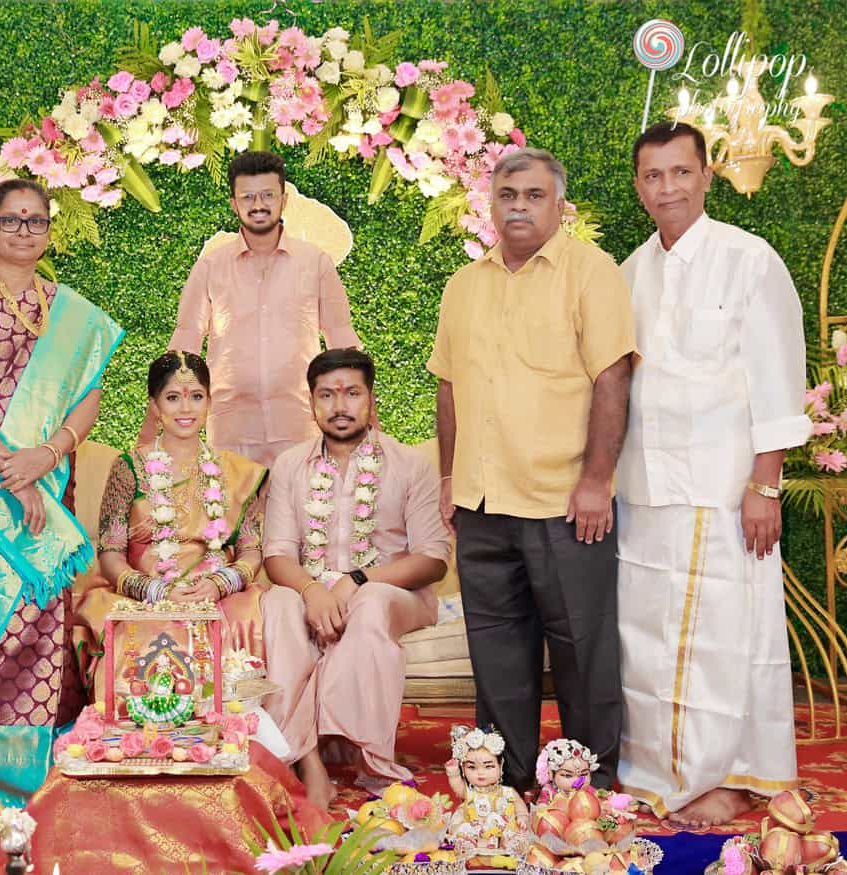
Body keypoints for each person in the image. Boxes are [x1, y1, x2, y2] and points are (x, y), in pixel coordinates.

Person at [617, 121, 811, 828]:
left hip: (724, 490)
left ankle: (719, 776)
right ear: (637, 186)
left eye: (679, 172)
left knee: (723, 639)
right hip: (642, 491)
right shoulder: (627, 273)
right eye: (652, 175)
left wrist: (763, 483)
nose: (666, 187)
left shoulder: (748, 259)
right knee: (646, 638)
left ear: (705, 175)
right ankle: (655, 770)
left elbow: (775, 377)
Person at [428, 147, 638, 793]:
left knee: (582, 652)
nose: (518, 206)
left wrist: (596, 479)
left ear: (557, 204)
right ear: (490, 204)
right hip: (482, 503)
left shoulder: (589, 271)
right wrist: (445, 479)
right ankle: (505, 780)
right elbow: (447, 387)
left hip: (563, 503)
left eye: (533, 195)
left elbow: (612, 375)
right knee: (495, 656)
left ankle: (588, 787)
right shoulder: (465, 284)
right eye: (507, 195)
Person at [0, 178, 123, 805]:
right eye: (10, 221)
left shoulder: (70, 310)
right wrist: (9, 465)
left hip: (45, 474)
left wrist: (49, 453)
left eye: (35, 221)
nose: (23, 232)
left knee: (39, 614)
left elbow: (87, 391)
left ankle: (36, 758)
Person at [261, 348, 450, 809]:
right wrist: (310, 591)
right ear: (311, 403)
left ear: (371, 400)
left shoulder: (409, 464)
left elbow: (434, 558)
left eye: (351, 393)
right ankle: (307, 762)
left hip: (392, 596)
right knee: (277, 605)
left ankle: (372, 759)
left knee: (369, 604)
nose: (339, 405)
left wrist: (358, 580)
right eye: (326, 395)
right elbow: (276, 554)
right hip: (314, 593)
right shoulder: (289, 465)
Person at [75, 351, 268, 698]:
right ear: (154, 405)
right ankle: (146, 740)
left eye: (196, 397)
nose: (186, 409)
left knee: (248, 619)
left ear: (209, 401)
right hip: (147, 594)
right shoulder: (129, 467)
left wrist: (221, 583)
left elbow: (252, 549)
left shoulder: (236, 471)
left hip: (216, 592)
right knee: (138, 632)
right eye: (173, 397)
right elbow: (109, 553)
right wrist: (155, 590)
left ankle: (231, 736)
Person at [163, 150, 361, 467]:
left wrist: (367, 426)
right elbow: (185, 342)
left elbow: (343, 344)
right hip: (230, 428)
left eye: (268, 195)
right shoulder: (210, 267)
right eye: (248, 197)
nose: (258, 205)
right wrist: (162, 424)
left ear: (283, 200)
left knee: (306, 515)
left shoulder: (315, 263)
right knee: (233, 517)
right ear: (234, 204)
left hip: (300, 425)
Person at [444, 726, 529, 865]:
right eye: (472, 767)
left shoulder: (507, 792)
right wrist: (453, 772)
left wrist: (522, 817)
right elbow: (457, 787)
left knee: (516, 832)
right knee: (462, 829)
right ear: (463, 769)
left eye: (488, 766)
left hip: (502, 828)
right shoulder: (469, 792)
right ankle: (469, 845)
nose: (481, 773)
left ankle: (508, 845)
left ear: (500, 767)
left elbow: (519, 805)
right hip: (474, 826)